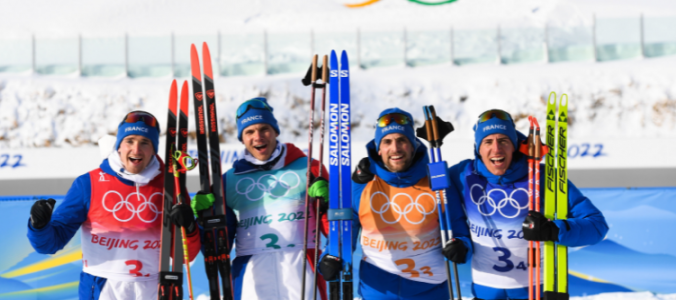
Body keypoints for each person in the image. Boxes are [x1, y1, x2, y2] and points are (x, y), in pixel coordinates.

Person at [27, 110, 210, 300]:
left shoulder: (172, 185)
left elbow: (184, 256)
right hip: (103, 287)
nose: (136, 149)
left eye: (145, 142)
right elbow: (50, 244)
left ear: (154, 149)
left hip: (155, 287)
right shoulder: (88, 184)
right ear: (119, 146)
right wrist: (39, 226)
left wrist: (189, 227)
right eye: (129, 141)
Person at [448, 109, 609, 300]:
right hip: (485, 293)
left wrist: (554, 230)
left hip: (537, 291)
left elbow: (597, 226)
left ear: (515, 145)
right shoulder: (461, 176)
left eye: (503, 141)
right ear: (478, 148)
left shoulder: (545, 177)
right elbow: (455, 227)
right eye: (488, 142)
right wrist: (459, 247)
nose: (496, 149)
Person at [199, 97, 329, 300]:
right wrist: (202, 217)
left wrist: (329, 203)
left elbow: (333, 230)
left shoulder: (309, 167)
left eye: (264, 129)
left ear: (276, 131)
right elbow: (216, 247)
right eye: (249, 131)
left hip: (302, 269)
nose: (258, 137)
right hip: (252, 273)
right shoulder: (229, 180)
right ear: (242, 138)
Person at [347, 108, 472, 300]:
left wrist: (461, 246)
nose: (395, 148)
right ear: (378, 148)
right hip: (377, 290)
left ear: (413, 145)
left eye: (402, 140)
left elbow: (458, 228)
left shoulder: (437, 180)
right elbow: (344, 229)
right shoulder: (362, 183)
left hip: (430, 289)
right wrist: (331, 256)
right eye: (387, 141)